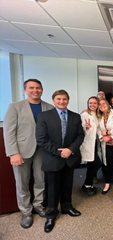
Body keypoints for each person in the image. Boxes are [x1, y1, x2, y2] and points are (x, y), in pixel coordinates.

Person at [3, 79, 54, 229]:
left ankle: (38, 205)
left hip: (42, 151)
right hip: (22, 151)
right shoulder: (15, 107)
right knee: (22, 182)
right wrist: (13, 153)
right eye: (31, 88)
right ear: (25, 90)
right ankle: (26, 212)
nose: (35, 90)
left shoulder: (49, 107)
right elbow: (9, 132)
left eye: (38, 88)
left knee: (41, 180)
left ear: (42, 90)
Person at [36, 89, 85, 233]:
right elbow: (41, 139)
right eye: (58, 99)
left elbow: (80, 136)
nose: (62, 101)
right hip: (53, 158)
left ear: (68, 100)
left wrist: (70, 150)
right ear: (53, 101)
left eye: (64, 99)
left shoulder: (76, 117)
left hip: (70, 157)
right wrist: (60, 153)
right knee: (52, 188)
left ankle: (67, 207)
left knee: (67, 185)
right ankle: (51, 215)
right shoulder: (44, 116)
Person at [79, 96, 101, 196]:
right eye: (90, 103)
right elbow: (80, 130)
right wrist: (85, 128)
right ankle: (87, 184)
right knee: (96, 163)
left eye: (94, 103)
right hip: (87, 142)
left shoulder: (96, 115)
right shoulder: (85, 114)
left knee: (91, 165)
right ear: (88, 104)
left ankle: (87, 185)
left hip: (94, 142)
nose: (92, 105)